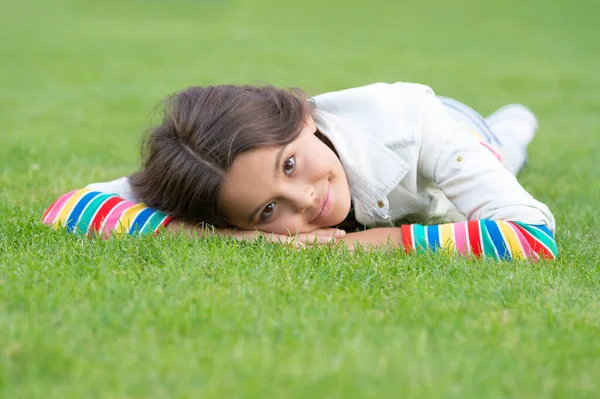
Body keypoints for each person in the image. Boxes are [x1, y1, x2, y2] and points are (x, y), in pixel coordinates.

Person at [42, 82, 557, 260]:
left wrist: (375, 243)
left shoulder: (411, 126)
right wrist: (225, 240)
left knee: (506, 146)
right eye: (267, 211)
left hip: (458, 130)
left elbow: (531, 238)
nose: (305, 200)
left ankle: (517, 122)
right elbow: (67, 210)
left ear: (301, 117)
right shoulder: (205, 168)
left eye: (288, 164)